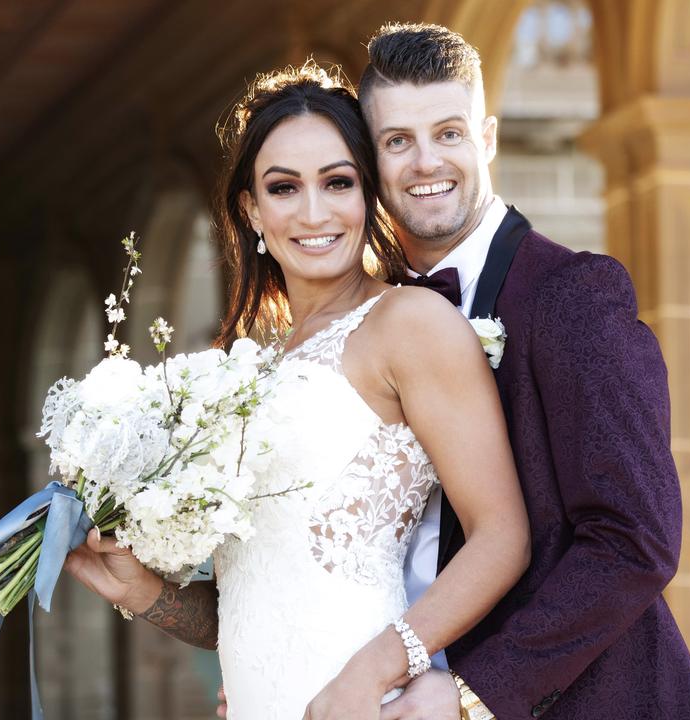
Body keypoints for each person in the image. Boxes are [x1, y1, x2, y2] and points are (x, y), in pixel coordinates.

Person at [63, 62, 531, 720]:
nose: (314, 213)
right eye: (284, 188)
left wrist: (369, 676)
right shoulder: (244, 368)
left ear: (369, 195)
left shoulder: (411, 325)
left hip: (366, 703)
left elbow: (502, 536)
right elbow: (257, 602)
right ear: (252, 208)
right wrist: (143, 591)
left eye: (337, 182)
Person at [356, 23, 690, 720]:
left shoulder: (574, 296)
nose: (426, 161)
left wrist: (471, 694)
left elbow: (634, 541)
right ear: (371, 160)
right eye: (398, 140)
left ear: (486, 138)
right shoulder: (367, 326)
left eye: (449, 133)